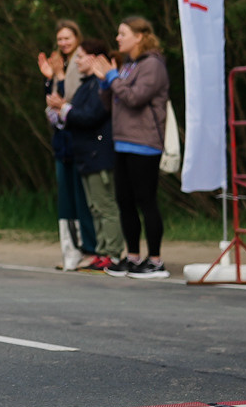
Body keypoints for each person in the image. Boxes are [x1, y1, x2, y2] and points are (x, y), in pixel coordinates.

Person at [105, 17, 172, 277]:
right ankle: (132, 257)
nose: (118, 38)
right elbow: (113, 100)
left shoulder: (152, 65)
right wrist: (104, 81)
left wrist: (111, 77)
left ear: (140, 37)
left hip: (144, 143)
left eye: (123, 34)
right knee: (125, 201)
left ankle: (155, 261)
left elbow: (134, 98)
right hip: (122, 141)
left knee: (146, 201)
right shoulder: (128, 66)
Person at [41, 20, 97, 269]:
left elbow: (71, 100)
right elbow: (53, 100)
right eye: (60, 39)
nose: (64, 43)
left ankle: (90, 249)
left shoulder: (79, 63)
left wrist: (61, 78)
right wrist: (49, 79)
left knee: (82, 198)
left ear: (77, 38)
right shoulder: (61, 63)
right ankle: (71, 252)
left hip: (78, 140)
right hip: (61, 142)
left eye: (68, 38)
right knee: (66, 200)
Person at [60, 37, 119, 270]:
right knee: (95, 207)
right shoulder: (87, 84)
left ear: (94, 58)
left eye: (81, 56)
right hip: (86, 154)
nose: (76, 61)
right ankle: (101, 251)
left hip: (99, 153)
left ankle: (113, 253)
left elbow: (92, 115)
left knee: (106, 206)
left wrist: (65, 110)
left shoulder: (100, 84)